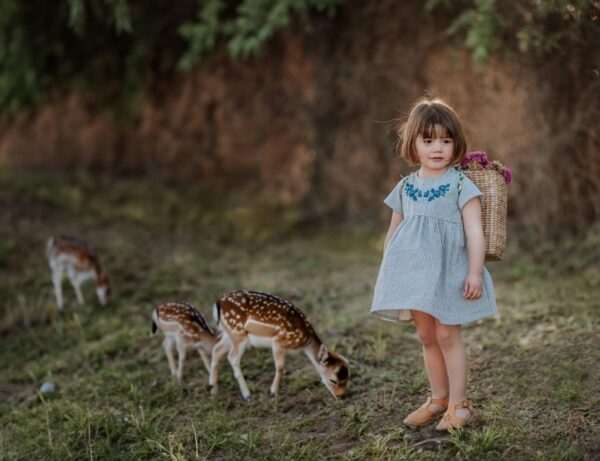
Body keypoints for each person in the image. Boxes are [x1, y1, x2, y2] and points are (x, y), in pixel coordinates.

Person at [371, 96, 497, 430]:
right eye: (428, 141)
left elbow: (474, 232)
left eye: (445, 139)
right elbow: (394, 233)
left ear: (456, 143)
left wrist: (474, 271)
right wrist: (389, 272)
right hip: (415, 275)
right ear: (413, 144)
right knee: (426, 335)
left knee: (447, 335)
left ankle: (460, 404)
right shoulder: (406, 186)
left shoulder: (460, 185)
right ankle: (438, 399)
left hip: (449, 274)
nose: (437, 147)